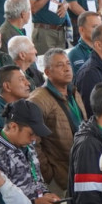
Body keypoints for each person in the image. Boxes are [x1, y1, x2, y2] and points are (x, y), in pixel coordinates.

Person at [29, 49, 86, 194]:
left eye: (68, 64)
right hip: (59, 177)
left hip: (81, 168)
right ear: (47, 72)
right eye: (60, 65)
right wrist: (48, 173)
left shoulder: (73, 92)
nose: (67, 68)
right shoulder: (38, 100)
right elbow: (32, 142)